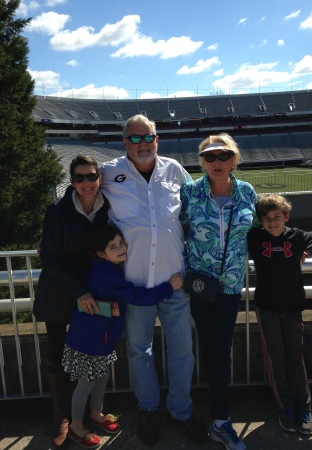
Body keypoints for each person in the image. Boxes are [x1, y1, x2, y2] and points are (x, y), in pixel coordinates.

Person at [100, 114, 208, 446]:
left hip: (174, 282)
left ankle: (180, 410)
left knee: (182, 351)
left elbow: (200, 208)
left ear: (157, 139)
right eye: (135, 138)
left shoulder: (174, 169)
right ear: (124, 142)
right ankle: (148, 408)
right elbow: (78, 202)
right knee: (138, 351)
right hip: (134, 286)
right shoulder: (107, 173)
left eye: (149, 137)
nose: (143, 143)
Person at [64, 223, 183, 448]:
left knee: (101, 377)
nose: (121, 249)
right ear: (101, 254)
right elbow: (135, 296)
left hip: (101, 338)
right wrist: (169, 287)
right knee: (86, 383)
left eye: (121, 243)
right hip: (89, 340)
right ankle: (76, 426)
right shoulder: (106, 274)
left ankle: (96, 414)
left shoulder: (108, 267)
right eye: (113, 247)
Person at [180, 133, 257, 450]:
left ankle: (220, 419)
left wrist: (293, 247)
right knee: (210, 348)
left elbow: (263, 227)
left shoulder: (246, 192)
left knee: (220, 350)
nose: (216, 162)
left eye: (223, 155)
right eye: (209, 157)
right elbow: (170, 229)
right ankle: (217, 415)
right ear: (201, 161)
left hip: (229, 287)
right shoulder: (191, 193)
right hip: (200, 285)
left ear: (234, 159)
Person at [33, 154, 111, 449]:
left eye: (91, 176)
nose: (86, 183)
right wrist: (80, 290)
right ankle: (61, 416)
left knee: (89, 350)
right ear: (72, 180)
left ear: (98, 177)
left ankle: (89, 412)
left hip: (91, 292)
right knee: (56, 353)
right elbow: (50, 258)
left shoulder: (108, 208)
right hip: (61, 291)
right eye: (79, 178)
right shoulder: (57, 211)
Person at [247, 194, 312, 435]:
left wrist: (301, 252)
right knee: (278, 359)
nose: (272, 223)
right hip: (266, 308)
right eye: (266, 219)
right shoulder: (253, 237)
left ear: (286, 216)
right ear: (260, 221)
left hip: (293, 308)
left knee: (295, 359)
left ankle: (303, 407)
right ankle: (285, 407)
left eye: (277, 217)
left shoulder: (298, 236)